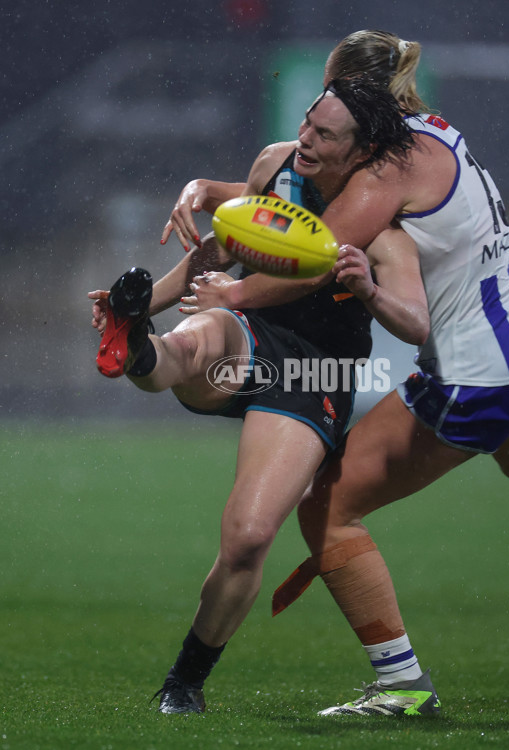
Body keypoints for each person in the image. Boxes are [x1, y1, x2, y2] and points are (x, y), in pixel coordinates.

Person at [261, 32, 509, 718]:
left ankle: (401, 685)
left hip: (479, 374)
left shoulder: (387, 168)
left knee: (327, 506)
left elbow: (309, 255)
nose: (316, 120)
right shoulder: (433, 129)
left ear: (355, 100)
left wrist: (222, 289)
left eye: (329, 102)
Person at [88, 76, 425, 715]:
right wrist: (137, 301)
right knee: (190, 345)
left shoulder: (380, 225)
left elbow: (417, 322)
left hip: (313, 376)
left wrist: (370, 291)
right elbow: (220, 251)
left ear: (361, 151)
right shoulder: (275, 164)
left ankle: (184, 683)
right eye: (306, 122)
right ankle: (137, 345)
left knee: (247, 538)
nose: (304, 139)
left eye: (324, 135)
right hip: (248, 332)